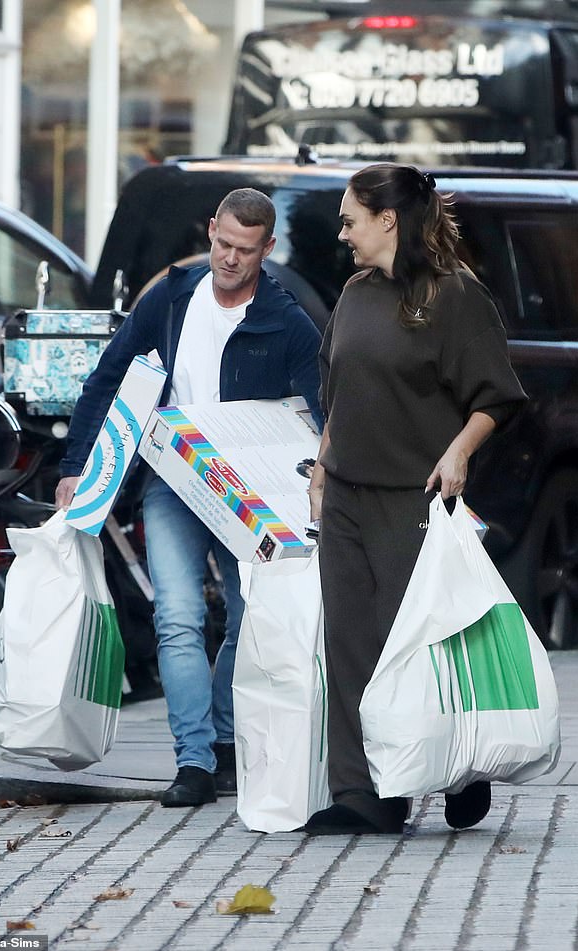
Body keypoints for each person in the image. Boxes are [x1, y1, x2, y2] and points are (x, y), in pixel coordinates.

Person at [55, 187, 323, 807]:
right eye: (224, 244)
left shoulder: (286, 321)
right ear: (210, 232)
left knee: (246, 612)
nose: (231, 259)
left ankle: (229, 741)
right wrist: (77, 466)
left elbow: (324, 409)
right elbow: (109, 378)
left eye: (246, 251)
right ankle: (195, 761)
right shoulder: (172, 298)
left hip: (245, 493)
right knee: (177, 614)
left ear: (268, 249)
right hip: (173, 481)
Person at [305, 163, 527, 836]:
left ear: (387, 220)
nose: (342, 233)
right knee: (349, 643)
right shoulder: (354, 292)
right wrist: (320, 467)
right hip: (345, 490)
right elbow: (337, 392)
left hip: (416, 497)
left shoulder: (454, 296)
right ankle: (364, 793)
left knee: (425, 644)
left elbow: (497, 395)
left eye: (350, 219)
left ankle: (460, 766)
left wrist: (459, 451)